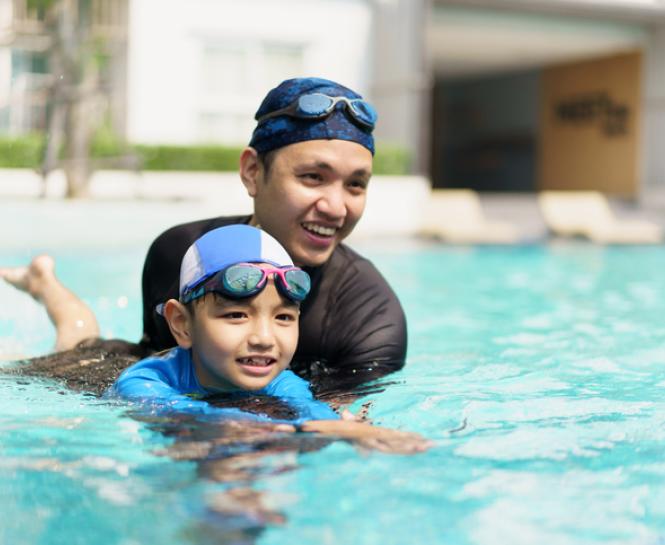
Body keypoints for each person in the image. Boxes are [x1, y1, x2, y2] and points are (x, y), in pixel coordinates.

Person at [1, 76, 407, 394]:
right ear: (252, 172)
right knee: (81, 354)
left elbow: (333, 430)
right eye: (312, 177)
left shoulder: (370, 321)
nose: (337, 207)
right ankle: (47, 285)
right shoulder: (179, 253)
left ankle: (43, 280)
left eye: (355, 185)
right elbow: (154, 362)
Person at [110, 223, 429, 453]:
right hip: (91, 369)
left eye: (283, 317)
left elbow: (309, 411)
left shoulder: (281, 383)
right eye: (236, 315)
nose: (264, 338)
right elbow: (183, 415)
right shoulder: (144, 380)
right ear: (182, 324)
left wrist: (344, 428)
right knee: (77, 338)